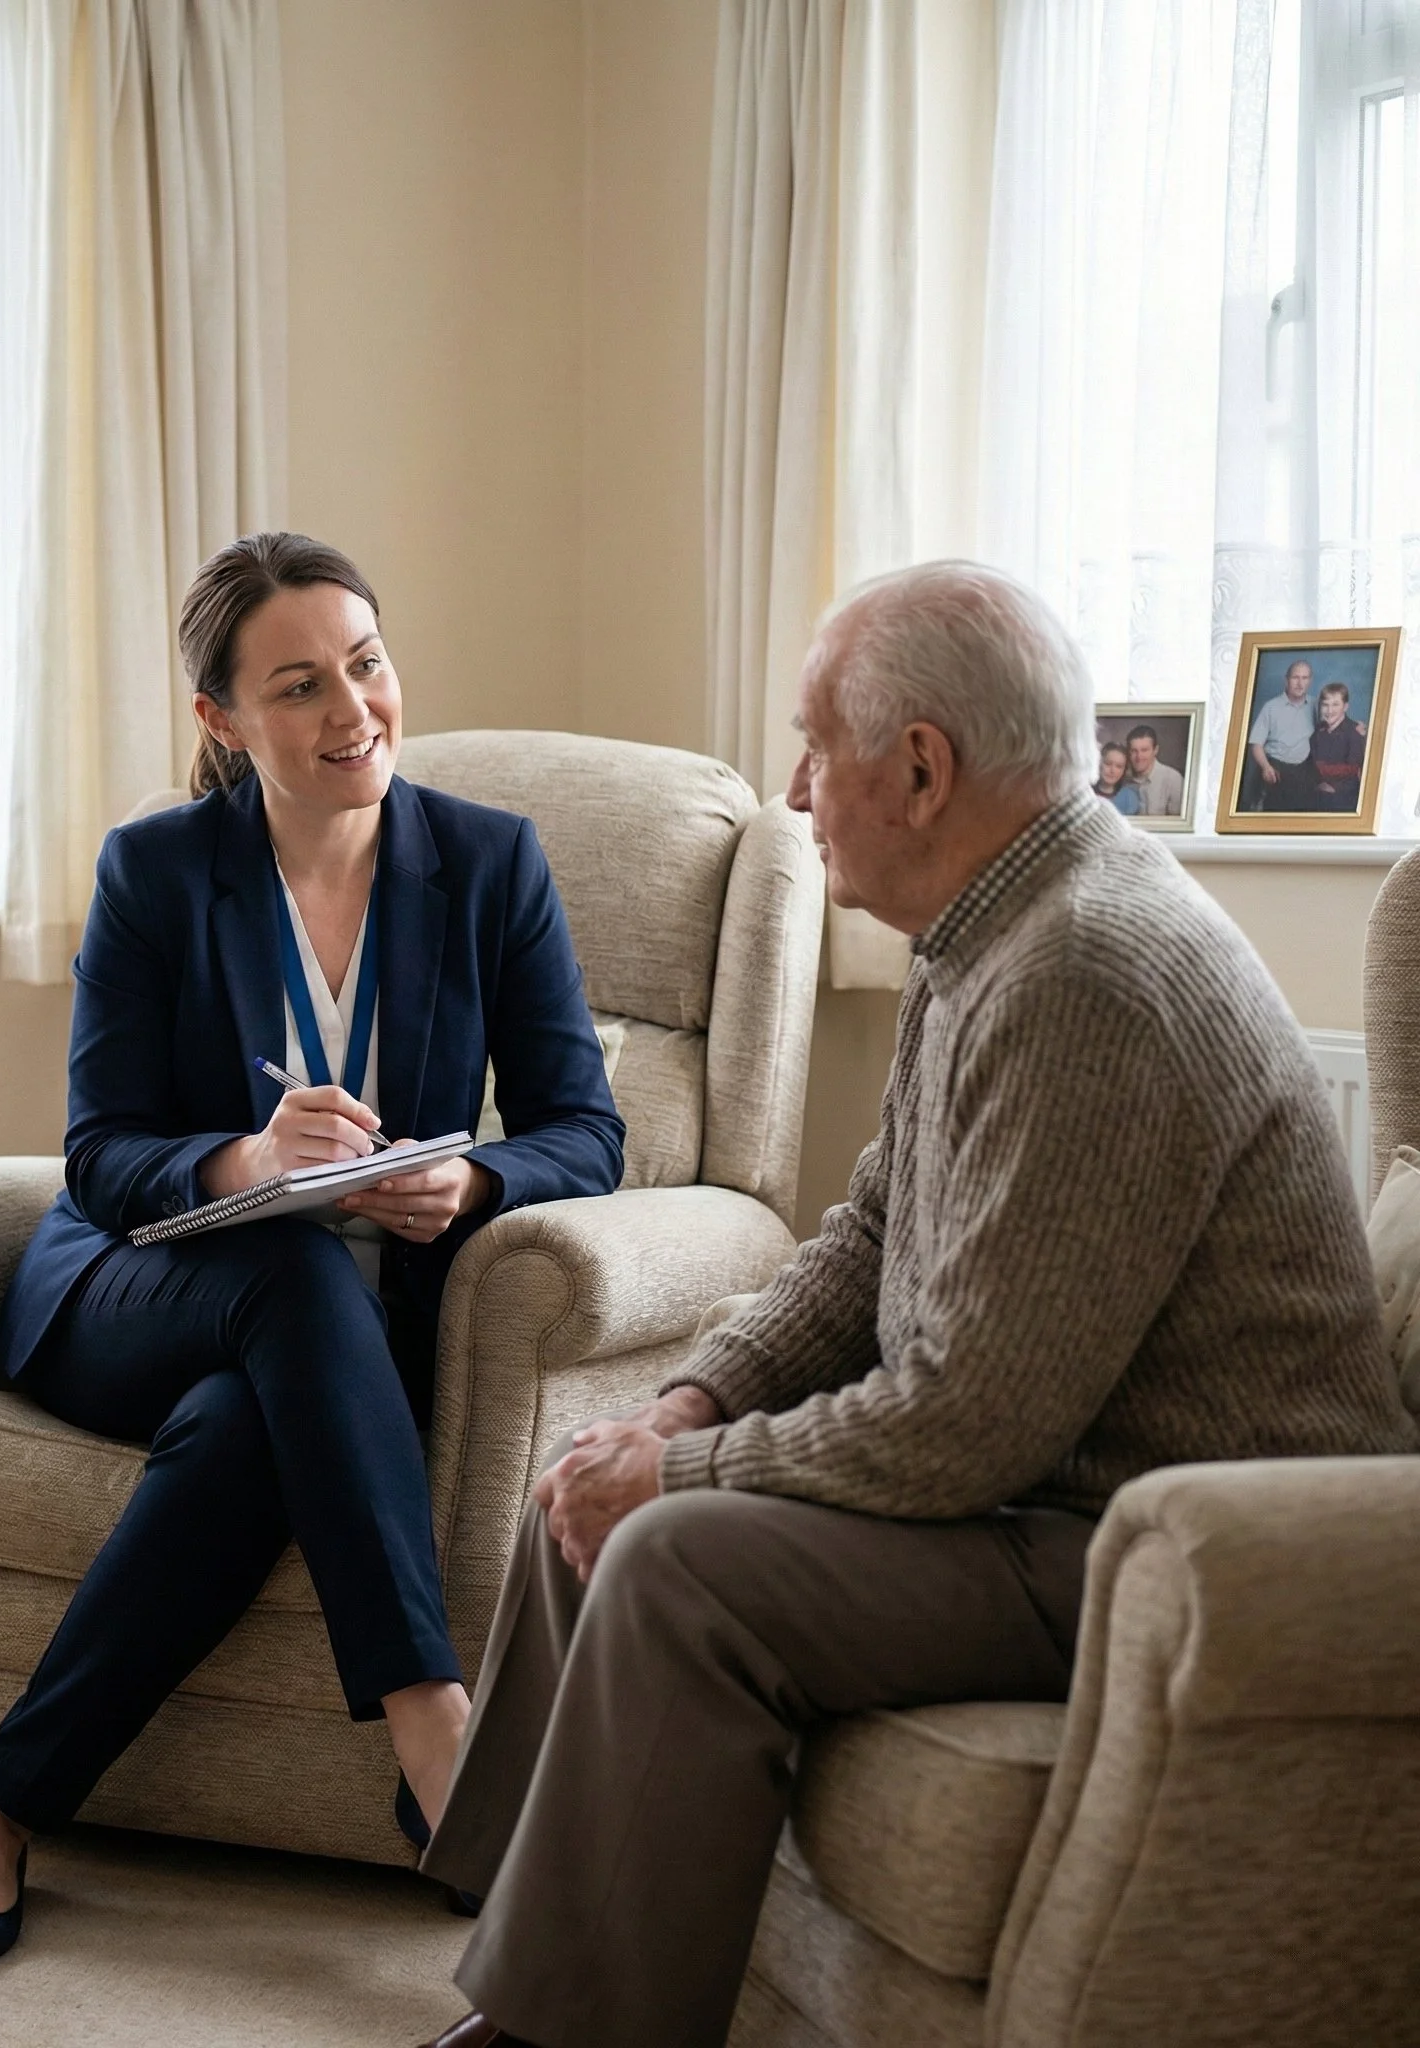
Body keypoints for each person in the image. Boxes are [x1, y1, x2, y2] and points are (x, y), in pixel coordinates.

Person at [411, 561, 1416, 2048]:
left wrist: (679, 1472)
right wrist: (686, 1402)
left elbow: (962, 1422)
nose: (802, 793)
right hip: (1050, 1492)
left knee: (674, 1554)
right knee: (597, 1481)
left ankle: (569, 2029)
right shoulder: (990, 929)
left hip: (1169, 1543)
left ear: (924, 768)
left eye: (819, 748)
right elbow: (874, 1234)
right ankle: (535, 1984)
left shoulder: (1087, 972)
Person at [0, 532, 624, 1968]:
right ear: (222, 721)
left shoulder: (489, 862)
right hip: (129, 1289)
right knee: (288, 1265)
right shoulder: (157, 871)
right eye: (298, 686)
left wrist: (468, 1184)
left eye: (365, 663)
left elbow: (584, 1133)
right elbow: (100, 1151)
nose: (352, 709)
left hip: (339, 1344)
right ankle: (436, 1741)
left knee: (246, 1431)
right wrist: (246, 1163)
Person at [1245, 658, 1319, 811]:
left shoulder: (1316, 705)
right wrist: (1265, 767)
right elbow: (1256, 744)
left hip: (1304, 771)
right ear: (1286, 680)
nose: (1300, 683)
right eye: (1295, 678)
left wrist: (1356, 726)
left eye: (1304, 678)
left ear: (1310, 681)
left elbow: (1336, 719)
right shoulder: (1270, 707)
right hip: (1274, 768)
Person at [1308, 681, 1368, 813]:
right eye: (1325, 705)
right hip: (1316, 793)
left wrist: (1334, 787)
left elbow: (1355, 770)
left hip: (1342, 798)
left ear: (1345, 707)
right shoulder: (1318, 731)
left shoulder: (1354, 732)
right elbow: (1311, 764)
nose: (1329, 711)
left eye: (1335, 705)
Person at [1123, 721, 1184, 817]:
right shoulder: (1123, 780)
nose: (1139, 757)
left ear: (1155, 750)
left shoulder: (1173, 779)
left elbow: (1179, 827)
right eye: (1134, 751)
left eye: (1144, 750)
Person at [1093, 737, 1140, 814]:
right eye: (1108, 764)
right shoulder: (1087, 793)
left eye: (1119, 766)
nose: (1112, 770)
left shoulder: (1129, 798)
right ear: (1099, 763)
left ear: (1124, 770)